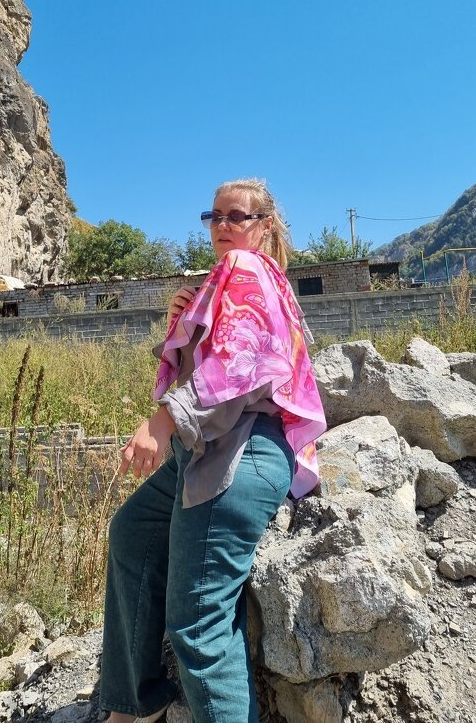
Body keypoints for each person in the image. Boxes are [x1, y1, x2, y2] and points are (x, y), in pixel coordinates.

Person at [99, 178, 326, 723]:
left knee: (199, 623)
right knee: (133, 532)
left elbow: (239, 368)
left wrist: (162, 421)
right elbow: (212, 365)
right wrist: (184, 325)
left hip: (241, 450)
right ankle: (134, 706)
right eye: (214, 216)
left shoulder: (244, 268)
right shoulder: (233, 279)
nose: (222, 225)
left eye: (236, 216)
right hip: (208, 446)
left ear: (263, 226)